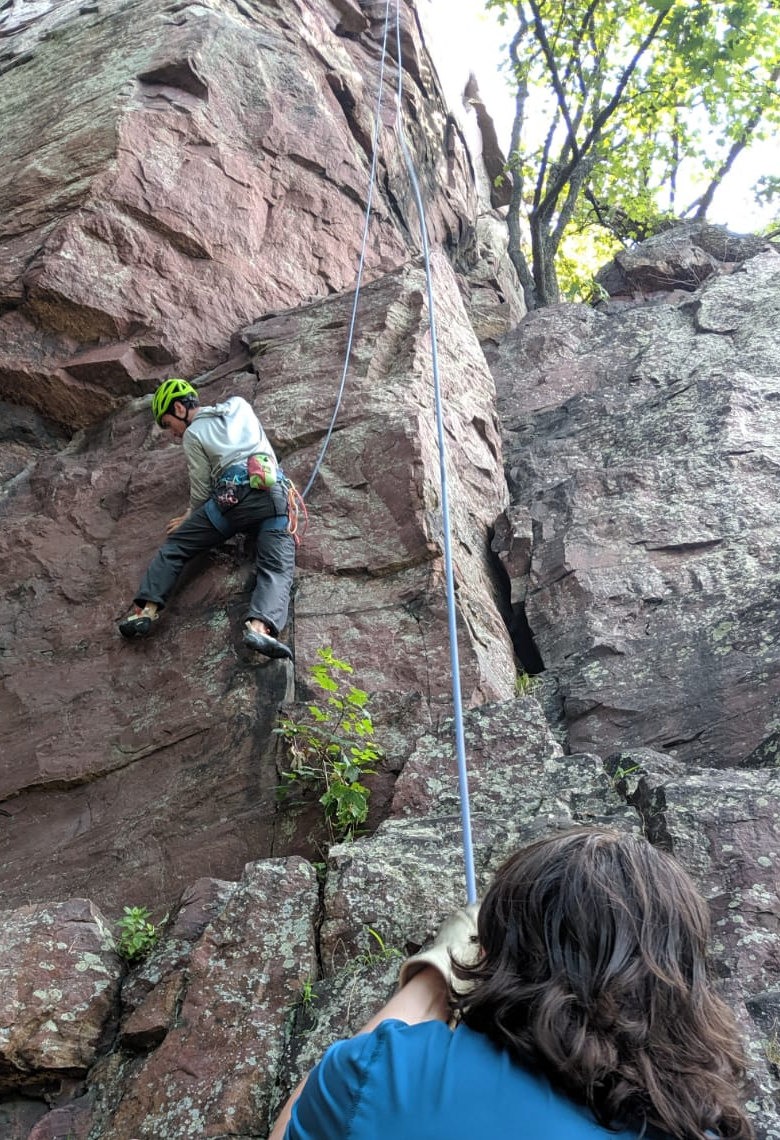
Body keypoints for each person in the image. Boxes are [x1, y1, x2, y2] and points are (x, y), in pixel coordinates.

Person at [269, 827, 753, 1140]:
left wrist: (441, 973)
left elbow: (297, 1127)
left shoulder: (384, 1073)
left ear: (498, 950)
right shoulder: (696, 1131)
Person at [118, 378, 295, 660]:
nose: (171, 434)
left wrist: (190, 515)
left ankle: (146, 612)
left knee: (176, 547)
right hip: (276, 495)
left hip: (234, 498)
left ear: (178, 407)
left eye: (167, 424)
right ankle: (260, 629)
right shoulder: (240, 405)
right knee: (277, 568)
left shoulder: (193, 433)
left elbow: (201, 486)